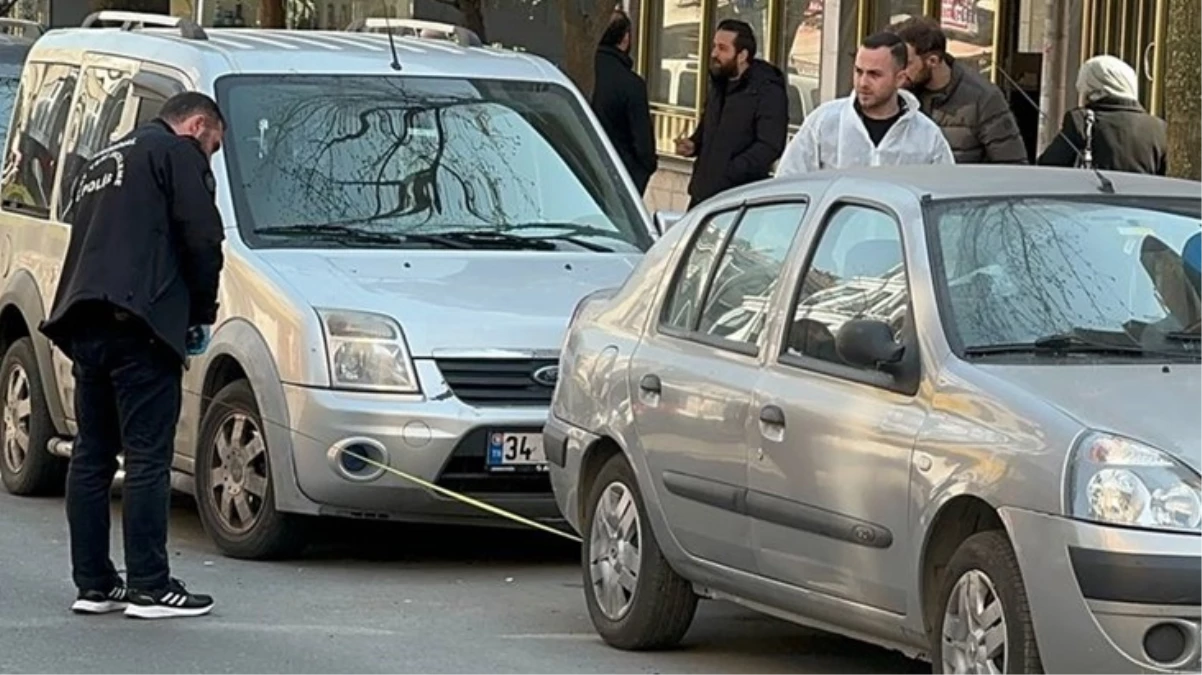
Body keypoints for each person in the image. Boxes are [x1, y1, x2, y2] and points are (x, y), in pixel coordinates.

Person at [39, 92, 226, 619]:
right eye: (213, 147)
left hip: (84, 318)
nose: (210, 158)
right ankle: (150, 585)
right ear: (197, 126)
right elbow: (203, 236)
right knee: (147, 455)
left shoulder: (104, 158)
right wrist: (200, 312)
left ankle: (94, 583)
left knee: (92, 455)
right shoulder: (177, 152)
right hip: (141, 322)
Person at [776, 31, 954, 176]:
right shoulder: (824, 122)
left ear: (900, 79)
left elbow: (944, 194)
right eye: (859, 71)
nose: (863, 83)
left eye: (874, 74)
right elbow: (788, 181)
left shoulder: (927, 136)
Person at [675, 19, 787, 208]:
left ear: (742, 55)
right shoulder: (720, 84)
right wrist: (693, 144)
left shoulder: (767, 91)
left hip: (738, 199)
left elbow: (769, 145)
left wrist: (731, 170)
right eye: (714, 46)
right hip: (702, 194)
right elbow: (709, 127)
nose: (714, 54)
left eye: (722, 48)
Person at [889, 16, 1028, 164]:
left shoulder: (983, 98)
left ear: (932, 61)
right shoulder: (899, 93)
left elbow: (1012, 165)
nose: (899, 70)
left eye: (907, 63)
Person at [1037, 55, 1167, 175]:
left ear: (1091, 90)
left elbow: (1048, 169)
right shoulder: (1160, 129)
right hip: (1143, 193)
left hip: (1095, 193)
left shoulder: (1081, 121)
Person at [591, 8, 657, 195]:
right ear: (626, 38)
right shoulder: (631, 85)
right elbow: (644, 146)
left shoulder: (584, 73)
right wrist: (645, 169)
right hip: (620, 179)